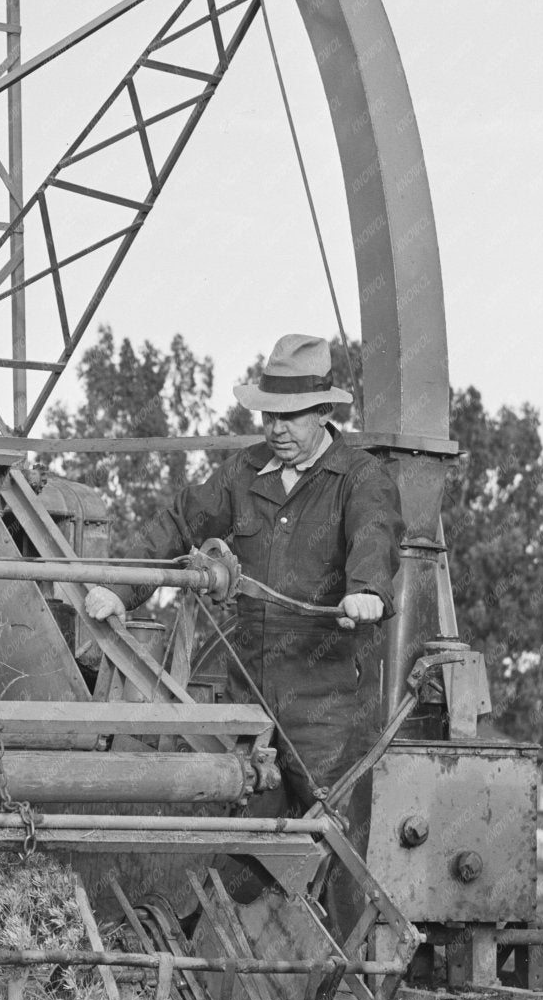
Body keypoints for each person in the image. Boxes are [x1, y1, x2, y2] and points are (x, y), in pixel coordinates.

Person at [85, 332, 403, 930]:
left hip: (324, 700)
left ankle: (340, 989)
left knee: (330, 835)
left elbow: (374, 536)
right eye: (267, 415)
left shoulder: (360, 479)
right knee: (242, 829)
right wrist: (123, 587)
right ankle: (218, 965)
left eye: (289, 417)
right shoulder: (242, 473)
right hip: (248, 692)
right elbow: (179, 523)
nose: (275, 428)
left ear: (325, 413)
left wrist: (366, 592)